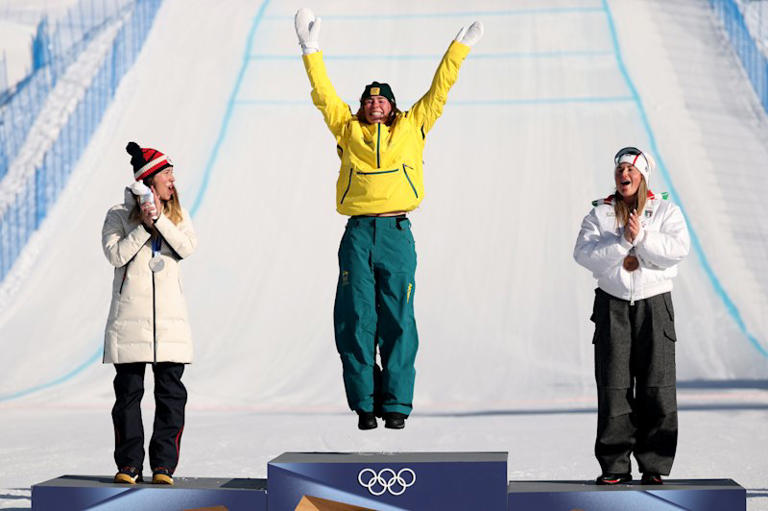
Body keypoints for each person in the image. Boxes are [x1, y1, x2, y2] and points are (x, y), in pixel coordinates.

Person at [294, 8, 483, 430]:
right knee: (356, 317)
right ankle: (365, 402)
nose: (374, 103)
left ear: (394, 106)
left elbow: (439, 91)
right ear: (360, 107)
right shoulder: (347, 129)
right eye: (368, 99)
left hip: (397, 231)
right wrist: (311, 50)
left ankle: (396, 404)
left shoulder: (414, 125)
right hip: (359, 233)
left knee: (398, 317)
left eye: (381, 98)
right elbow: (324, 94)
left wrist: (459, 49)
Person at [573, 147, 690, 485]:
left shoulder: (666, 211)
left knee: (657, 384)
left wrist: (643, 237)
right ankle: (615, 465)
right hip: (613, 304)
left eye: (630, 170)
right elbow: (584, 255)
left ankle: (654, 464)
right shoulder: (601, 214)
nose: (623, 175)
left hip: (654, 304)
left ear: (642, 177)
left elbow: (677, 250)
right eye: (619, 170)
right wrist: (623, 242)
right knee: (614, 385)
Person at [102, 142, 197, 485]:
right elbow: (115, 256)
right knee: (128, 395)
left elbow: (186, 248)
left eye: (172, 175)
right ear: (149, 180)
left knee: (171, 396)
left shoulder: (179, 215)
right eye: (167, 175)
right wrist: (143, 226)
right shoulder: (117, 215)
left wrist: (160, 222)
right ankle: (128, 464)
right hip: (129, 320)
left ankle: (163, 467)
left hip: (170, 323)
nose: (173, 182)